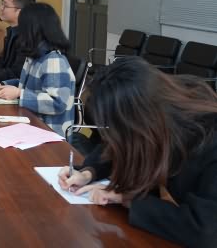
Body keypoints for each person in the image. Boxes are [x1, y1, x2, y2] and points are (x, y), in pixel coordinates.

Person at [57, 57, 217, 247]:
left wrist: (128, 199)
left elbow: (205, 230)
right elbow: (123, 145)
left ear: (137, 122)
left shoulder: (208, 136)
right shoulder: (156, 109)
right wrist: (88, 172)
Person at [0, 2, 75, 136]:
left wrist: (19, 93)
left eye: (22, 26)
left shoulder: (53, 61)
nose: (19, 30)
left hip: (49, 133)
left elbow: (57, 103)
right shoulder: (34, 55)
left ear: (33, 29)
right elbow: (27, 84)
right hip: (30, 122)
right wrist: (3, 85)